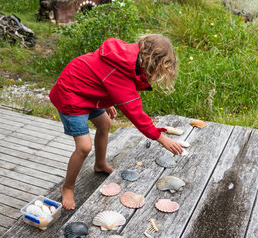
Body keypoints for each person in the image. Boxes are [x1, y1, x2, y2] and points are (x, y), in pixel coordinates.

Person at [50, 34, 183, 210]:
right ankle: (67, 187)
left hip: (88, 92)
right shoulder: (120, 70)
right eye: (159, 70)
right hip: (71, 94)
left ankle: (100, 164)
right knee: (84, 147)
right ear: (152, 62)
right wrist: (161, 138)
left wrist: (107, 102)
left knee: (104, 124)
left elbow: (100, 78)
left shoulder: (127, 60)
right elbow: (134, 112)